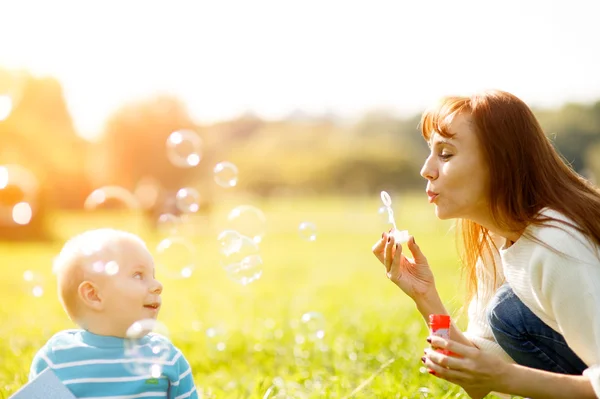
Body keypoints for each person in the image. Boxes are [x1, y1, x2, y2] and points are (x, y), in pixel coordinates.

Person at [372, 90, 600, 399]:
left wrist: (505, 376)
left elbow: (495, 374)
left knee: (508, 310)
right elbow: (476, 378)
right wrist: (425, 297)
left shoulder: (557, 244)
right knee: (507, 311)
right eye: (430, 152)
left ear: (500, 162)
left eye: (446, 153)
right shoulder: (495, 238)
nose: (426, 169)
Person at [28, 228, 199, 398]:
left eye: (153, 275)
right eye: (138, 275)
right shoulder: (56, 358)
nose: (157, 285)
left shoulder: (167, 357)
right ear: (94, 295)